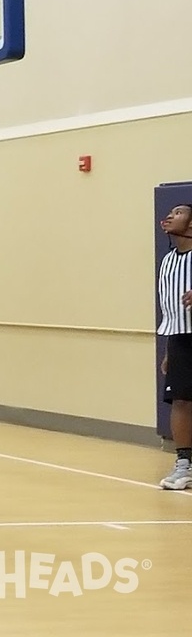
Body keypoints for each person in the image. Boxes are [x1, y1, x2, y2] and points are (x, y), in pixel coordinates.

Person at [158, 204, 192, 490]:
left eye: (178, 213)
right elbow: (170, 310)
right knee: (180, 400)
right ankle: (183, 464)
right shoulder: (168, 261)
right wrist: (169, 350)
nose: (170, 216)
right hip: (180, 337)